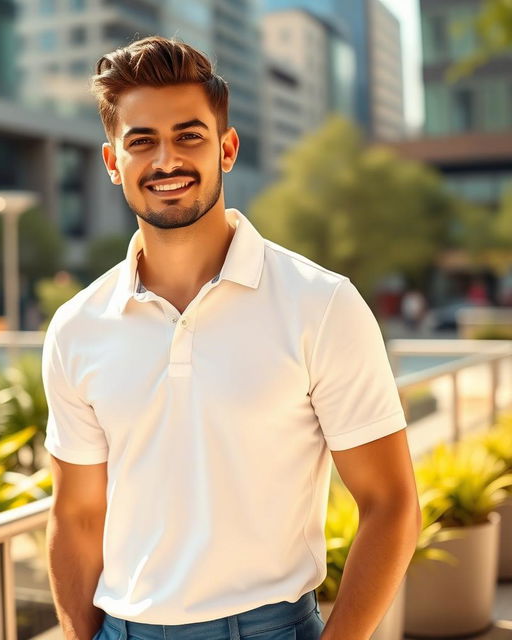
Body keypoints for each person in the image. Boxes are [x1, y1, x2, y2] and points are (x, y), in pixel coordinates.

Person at [41, 36, 422, 640]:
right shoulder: (77, 327)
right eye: (142, 141)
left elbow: (391, 503)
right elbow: (78, 516)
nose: (167, 160)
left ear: (227, 148)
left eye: (189, 135)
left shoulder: (319, 304)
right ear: (114, 163)